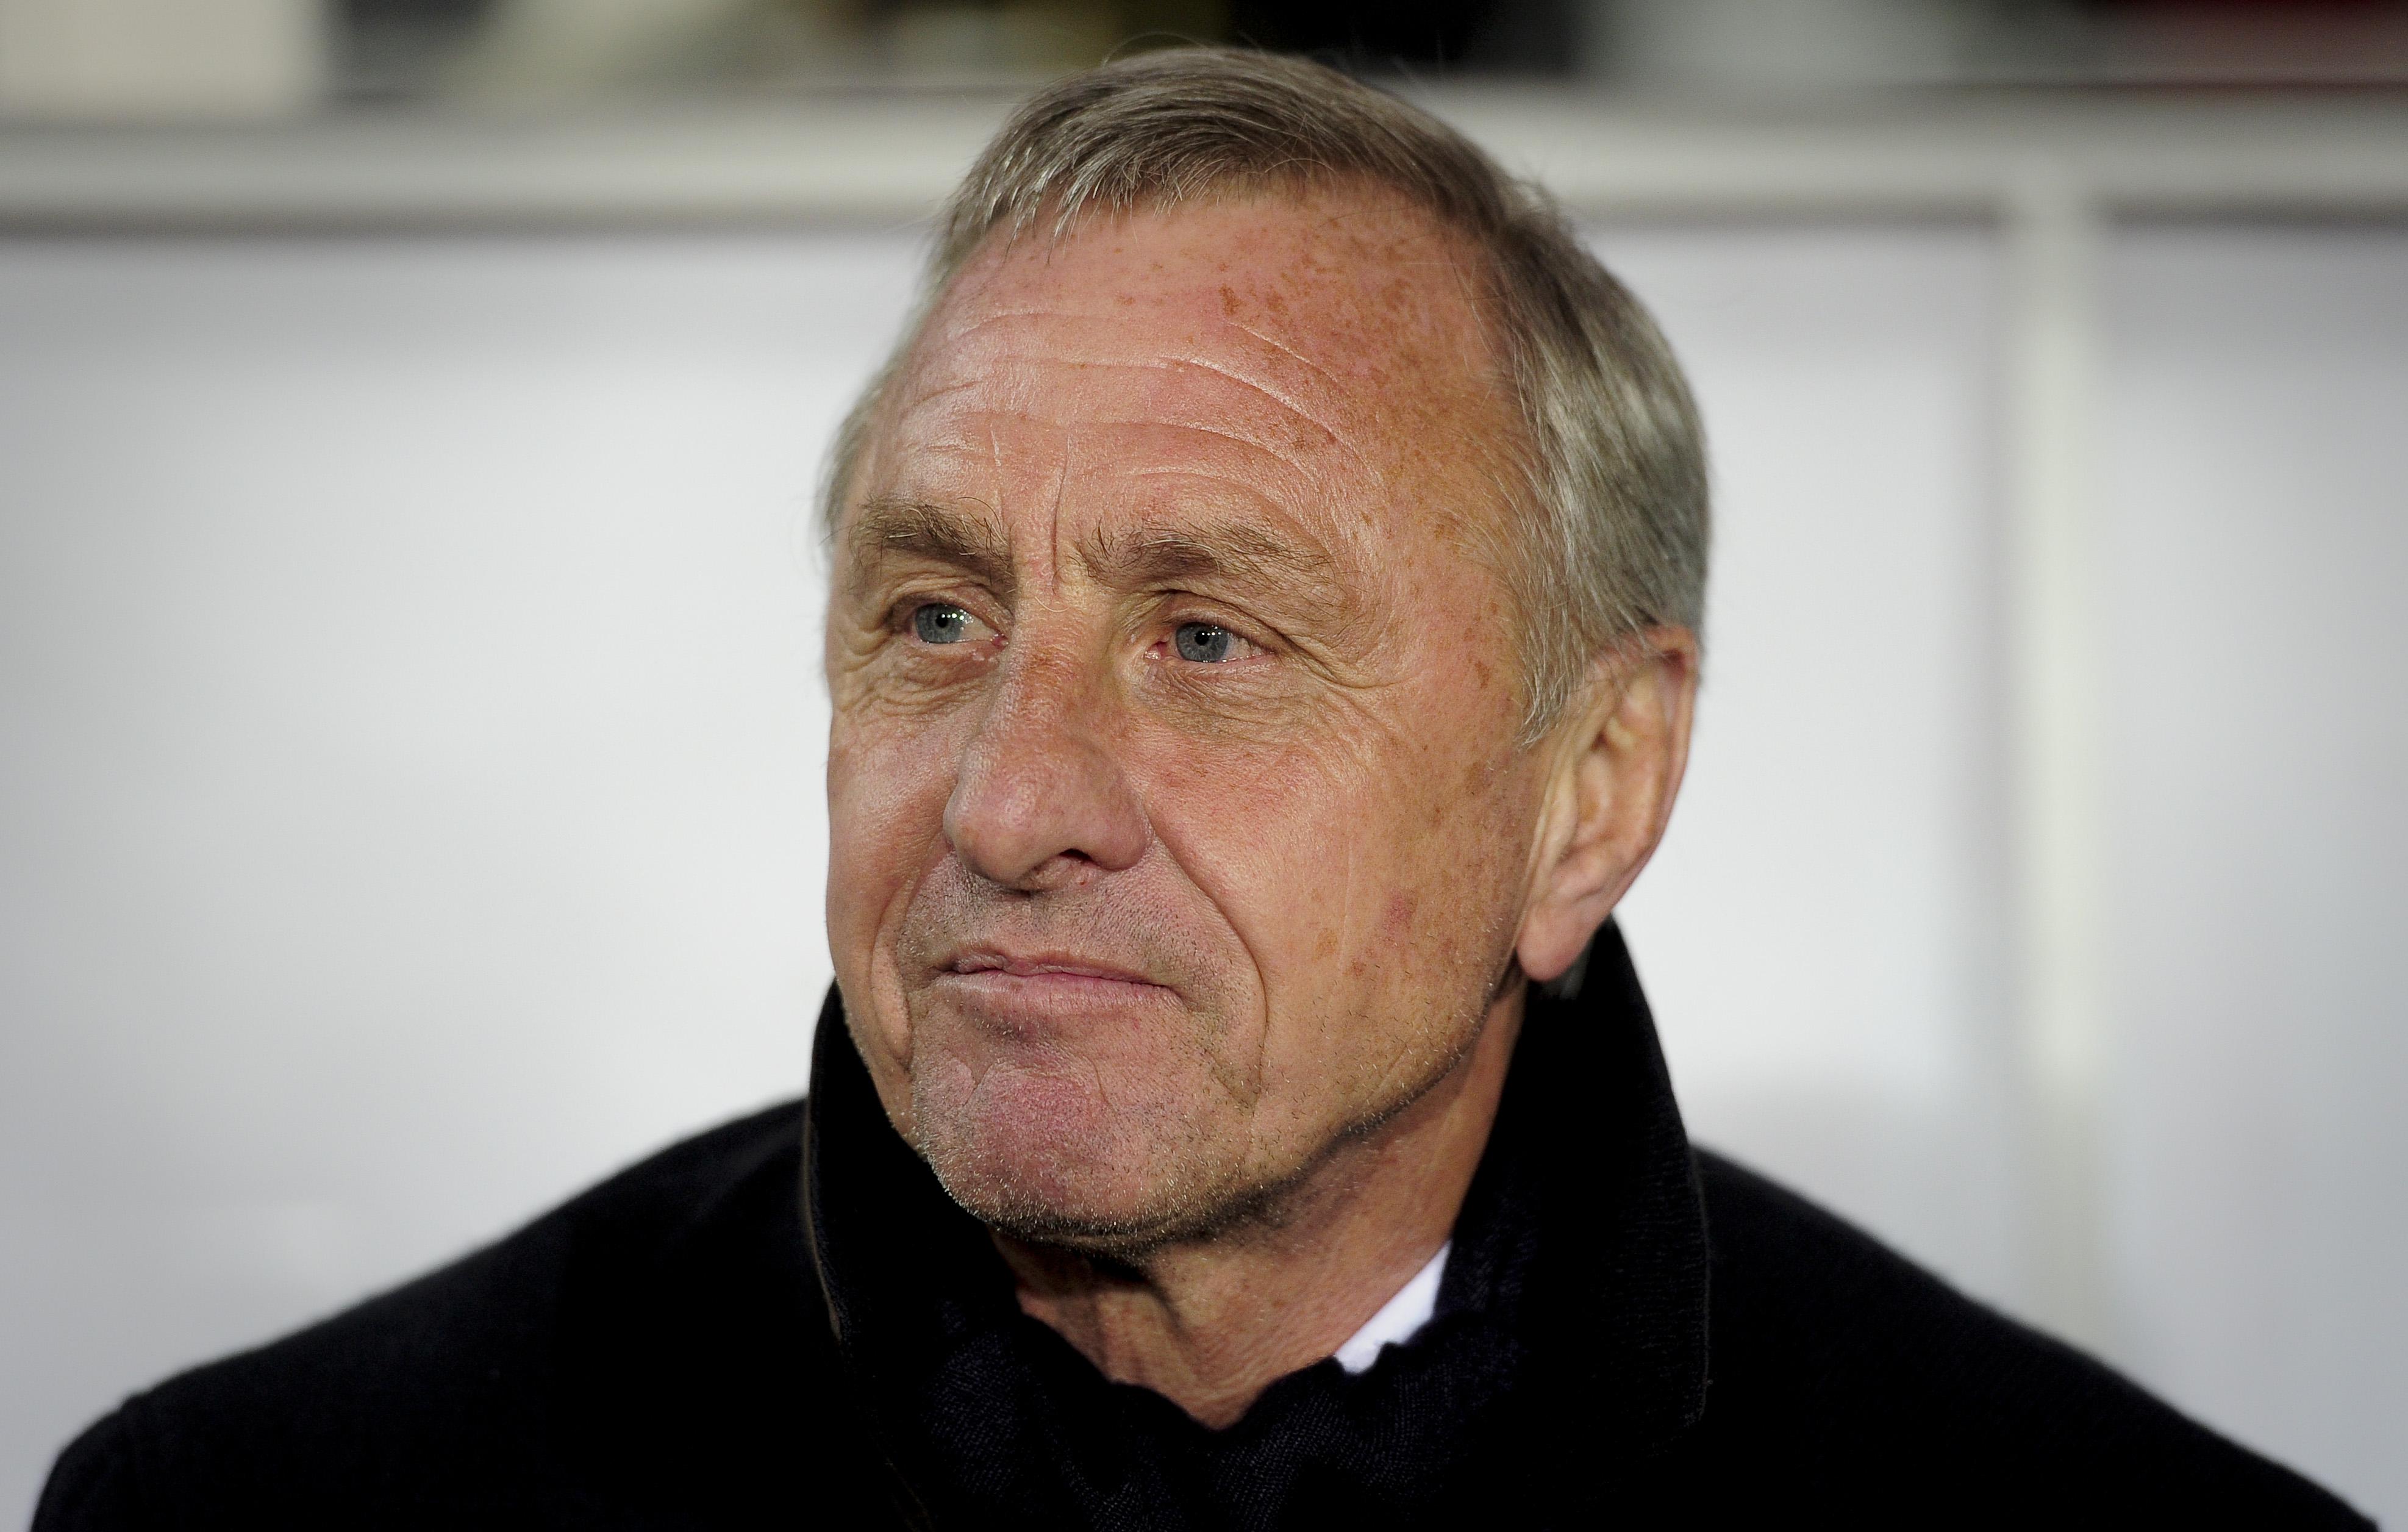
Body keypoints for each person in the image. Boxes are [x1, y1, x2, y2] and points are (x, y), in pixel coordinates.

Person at [35, 47, 2368, 1530]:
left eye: (1212, 639)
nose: (1009, 800)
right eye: (935, 616)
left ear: (1593, 792)